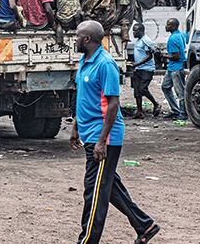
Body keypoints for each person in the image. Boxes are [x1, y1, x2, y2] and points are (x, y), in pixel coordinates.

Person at [70, 20, 159, 244]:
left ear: (88, 39)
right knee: (108, 187)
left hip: (104, 137)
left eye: (78, 35)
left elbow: (113, 104)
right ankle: (144, 225)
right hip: (90, 132)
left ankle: (87, 240)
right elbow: (84, 98)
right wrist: (75, 128)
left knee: (95, 192)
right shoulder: (84, 60)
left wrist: (102, 142)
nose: (75, 39)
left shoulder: (105, 64)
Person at [130, 23, 160, 119]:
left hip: (147, 69)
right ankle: (139, 112)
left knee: (143, 89)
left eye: (135, 30)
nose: (133, 33)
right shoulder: (139, 40)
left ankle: (156, 104)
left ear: (141, 30)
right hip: (139, 69)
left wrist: (137, 64)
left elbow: (149, 56)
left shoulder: (146, 40)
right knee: (137, 91)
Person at [162, 18, 188, 121]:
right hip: (173, 67)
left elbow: (176, 56)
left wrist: (164, 56)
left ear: (173, 26)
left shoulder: (173, 39)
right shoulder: (179, 35)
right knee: (165, 87)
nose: (166, 26)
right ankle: (175, 110)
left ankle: (183, 113)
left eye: (168, 24)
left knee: (180, 92)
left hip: (176, 68)